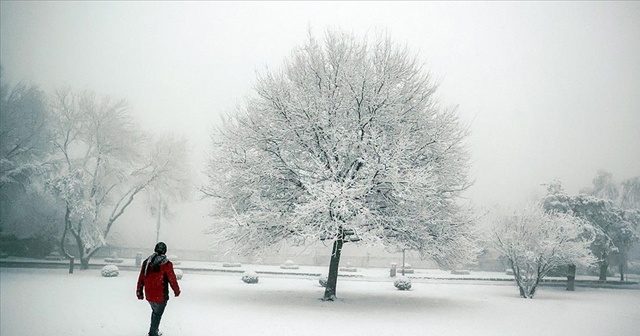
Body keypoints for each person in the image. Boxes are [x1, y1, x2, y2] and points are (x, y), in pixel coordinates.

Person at [136, 242, 181, 336]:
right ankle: (153, 333)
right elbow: (172, 279)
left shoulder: (147, 262)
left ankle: (154, 331)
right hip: (161, 296)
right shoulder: (166, 264)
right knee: (157, 314)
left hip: (149, 294)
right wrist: (176, 291)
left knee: (155, 313)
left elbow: (141, 278)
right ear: (165, 251)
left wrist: (139, 291)